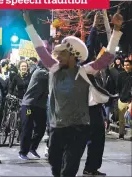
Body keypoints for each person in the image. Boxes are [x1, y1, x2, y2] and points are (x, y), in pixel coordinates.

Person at [23, 10, 122, 177]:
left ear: (73, 55)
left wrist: (117, 29)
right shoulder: (53, 68)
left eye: (62, 53)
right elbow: (39, 47)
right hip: (57, 128)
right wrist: (28, 22)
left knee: (69, 169)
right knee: (55, 165)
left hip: (79, 129)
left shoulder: (84, 71)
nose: (57, 55)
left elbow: (107, 57)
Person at [19, 61, 49, 160]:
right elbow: (53, 75)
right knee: (27, 127)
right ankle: (23, 152)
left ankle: (32, 147)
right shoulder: (40, 72)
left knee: (41, 128)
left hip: (40, 106)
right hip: (29, 105)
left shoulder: (45, 73)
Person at [117, 60, 132, 139]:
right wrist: (120, 96)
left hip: (131, 101)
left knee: (131, 119)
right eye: (125, 65)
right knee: (121, 118)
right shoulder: (120, 75)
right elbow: (118, 87)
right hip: (122, 99)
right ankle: (121, 134)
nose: (126, 66)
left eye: (128, 65)